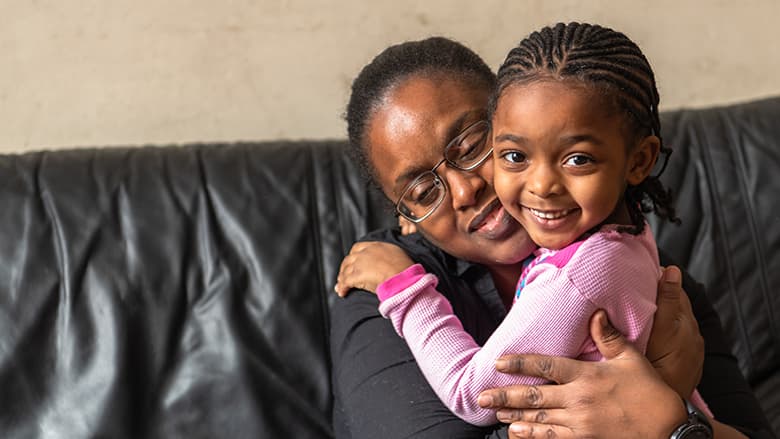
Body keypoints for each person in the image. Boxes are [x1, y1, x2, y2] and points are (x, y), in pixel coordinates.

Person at [330, 34, 773, 438]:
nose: (465, 191)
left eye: (473, 147)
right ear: (407, 217)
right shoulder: (380, 287)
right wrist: (643, 402)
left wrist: (675, 423)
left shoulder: (657, 280)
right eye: (424, 191)